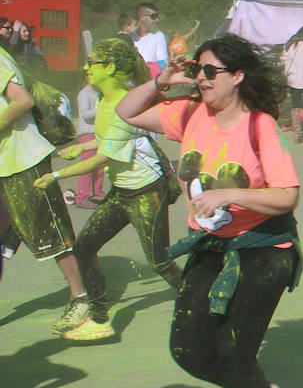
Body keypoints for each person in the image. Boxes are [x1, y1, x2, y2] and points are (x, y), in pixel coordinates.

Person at [117, 33, 303, 388]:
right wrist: (162, 80)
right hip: (211, 247)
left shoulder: (261, 126)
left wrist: (229, 194)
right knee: (189, 350)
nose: (201, 79)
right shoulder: (190, 114)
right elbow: (127, 112)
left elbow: (287, 197)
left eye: (211, 71)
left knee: (235, 352)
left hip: (263, 248)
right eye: (198, 70)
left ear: (237, 77)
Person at [39, 38, 181, 341]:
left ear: (111, 67)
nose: (86, 67)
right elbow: (107, 141)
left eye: (93, 62)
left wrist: (58, 176)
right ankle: (100, 318)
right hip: (121, 192)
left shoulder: (123, 105)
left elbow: (106, 155)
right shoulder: (103, 101)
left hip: (146, 193)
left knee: (159, 262)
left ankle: (205, 303)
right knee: (84, 248)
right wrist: (83, 148)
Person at [0, 43, 89, 334]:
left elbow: (22, 101)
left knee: (52, 235)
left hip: (24, 162)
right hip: (4, 164)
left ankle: (82, 300)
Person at [70, 72, 106, 209]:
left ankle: (98, 193)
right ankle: (82, 197)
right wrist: (103, 108)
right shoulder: (84, 94)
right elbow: (85, 115)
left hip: (99, 132)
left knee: (100, 165)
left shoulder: (99, 92)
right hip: (87, 133)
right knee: (87, 166)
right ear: (87, 77)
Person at [133, 2, 168, 77]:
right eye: (154, 16)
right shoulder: (127, 36)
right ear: (142, 17)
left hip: (149, 82)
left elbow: (162, 64)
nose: (157, 20)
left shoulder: (158, 36)